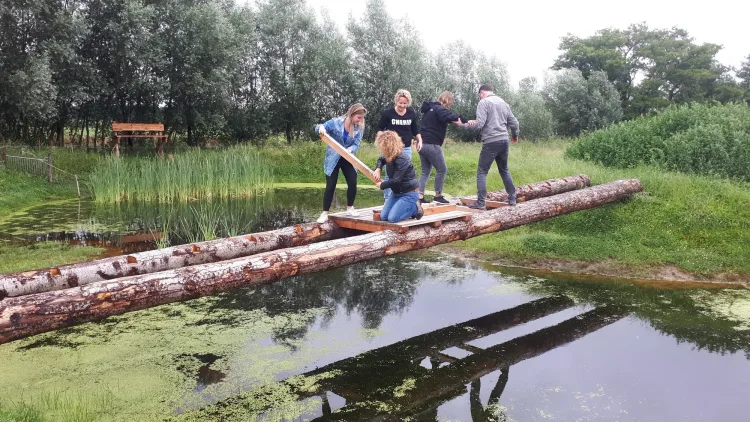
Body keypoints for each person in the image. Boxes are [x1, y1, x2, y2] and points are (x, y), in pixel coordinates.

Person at [464, 84, 519, 209]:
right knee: (504, 170)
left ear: (482, 93)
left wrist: (466, 125)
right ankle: (512, 198)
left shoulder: (484, 102)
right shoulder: (504, 103)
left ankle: (481, 203)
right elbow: (514, 123)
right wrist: (515, 135)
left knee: (482, 172)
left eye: (479, 95)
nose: (480, 98)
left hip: (491, 141)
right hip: (504, 140)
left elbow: (480, 124)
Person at [315, 103, 368, 223]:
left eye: (362, 118)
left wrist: (350, 150)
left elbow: (356, 144)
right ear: (352, 114)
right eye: (359, 117)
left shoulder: (359, 128)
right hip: (333, 158)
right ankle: (324, 213)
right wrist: (321, 128)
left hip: (347, 157)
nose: (360, 120)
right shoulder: (336, 122)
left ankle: (350, 208)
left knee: (353, 181)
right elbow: (319, 127)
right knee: (331, 185)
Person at [374, 89, 423, 202]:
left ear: (408, 102)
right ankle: (387, 199)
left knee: (404, 174)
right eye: (400, 103)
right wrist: (381, 142)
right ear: (396, 101)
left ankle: (403, 196)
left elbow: (415, 130)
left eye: (405, 103)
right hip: (390, 148)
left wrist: (420, 141)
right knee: (390, 174)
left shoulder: (411, 114)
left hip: (406, 148)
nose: (402, 105)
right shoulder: (388, 113)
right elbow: (380, 129)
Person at [417, 91, 464, 204]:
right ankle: (438, 196)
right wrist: (462, 119)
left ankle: (419, 197)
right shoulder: (439, 108)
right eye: (450, 102)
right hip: (432, 144)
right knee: (442, 169)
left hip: (422, 144)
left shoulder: (430, 109)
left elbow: (444, 118)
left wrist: (455, 121)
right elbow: (448, 116)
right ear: (447, 100)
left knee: (425, 172)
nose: (449, 105)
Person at [374, 130, 424, 223]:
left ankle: (415, 209)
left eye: (382, 146)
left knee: (392, 218)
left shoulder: (402, 158)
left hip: (409, 193)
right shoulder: (389, 155)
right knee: (384, 216)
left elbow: (396, 180)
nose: (381, 149)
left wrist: (382, 185)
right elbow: (381, 159)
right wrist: (378, 168)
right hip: (396, 193)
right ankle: (404, 207)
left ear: (388, 146)